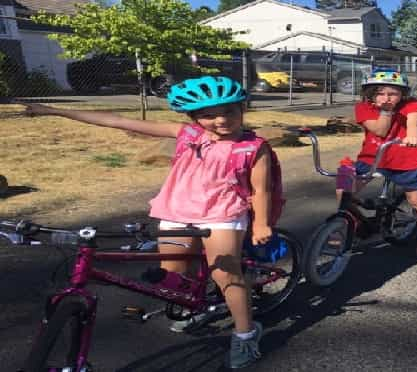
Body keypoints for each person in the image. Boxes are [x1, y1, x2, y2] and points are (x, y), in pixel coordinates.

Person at [20, 76, 271, 369]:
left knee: (226, 276)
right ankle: (198, 305)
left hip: (222, 213)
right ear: (194, 118)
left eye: (230, 111)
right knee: (174, 276)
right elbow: (115, 121)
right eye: (209, 115)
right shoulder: (187, 135)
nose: (222, 119)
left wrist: (262, 223)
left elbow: (261, 189)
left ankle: (245, 334)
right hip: (177, 211)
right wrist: (55, 111)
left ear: (242, 109)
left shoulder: (253, 146)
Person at [352, 69, 417, 257]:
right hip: (372, 157)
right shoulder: (363, 107)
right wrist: (385, 111)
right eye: (380, 93)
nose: (386, 98)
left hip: (406, 158)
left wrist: (413, 137)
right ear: (370, 94)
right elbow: (380, 130)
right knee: (344, 188)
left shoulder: (411, 105)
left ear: (402, 94)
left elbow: (413, 124)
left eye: (393, 93)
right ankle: (352, 224)